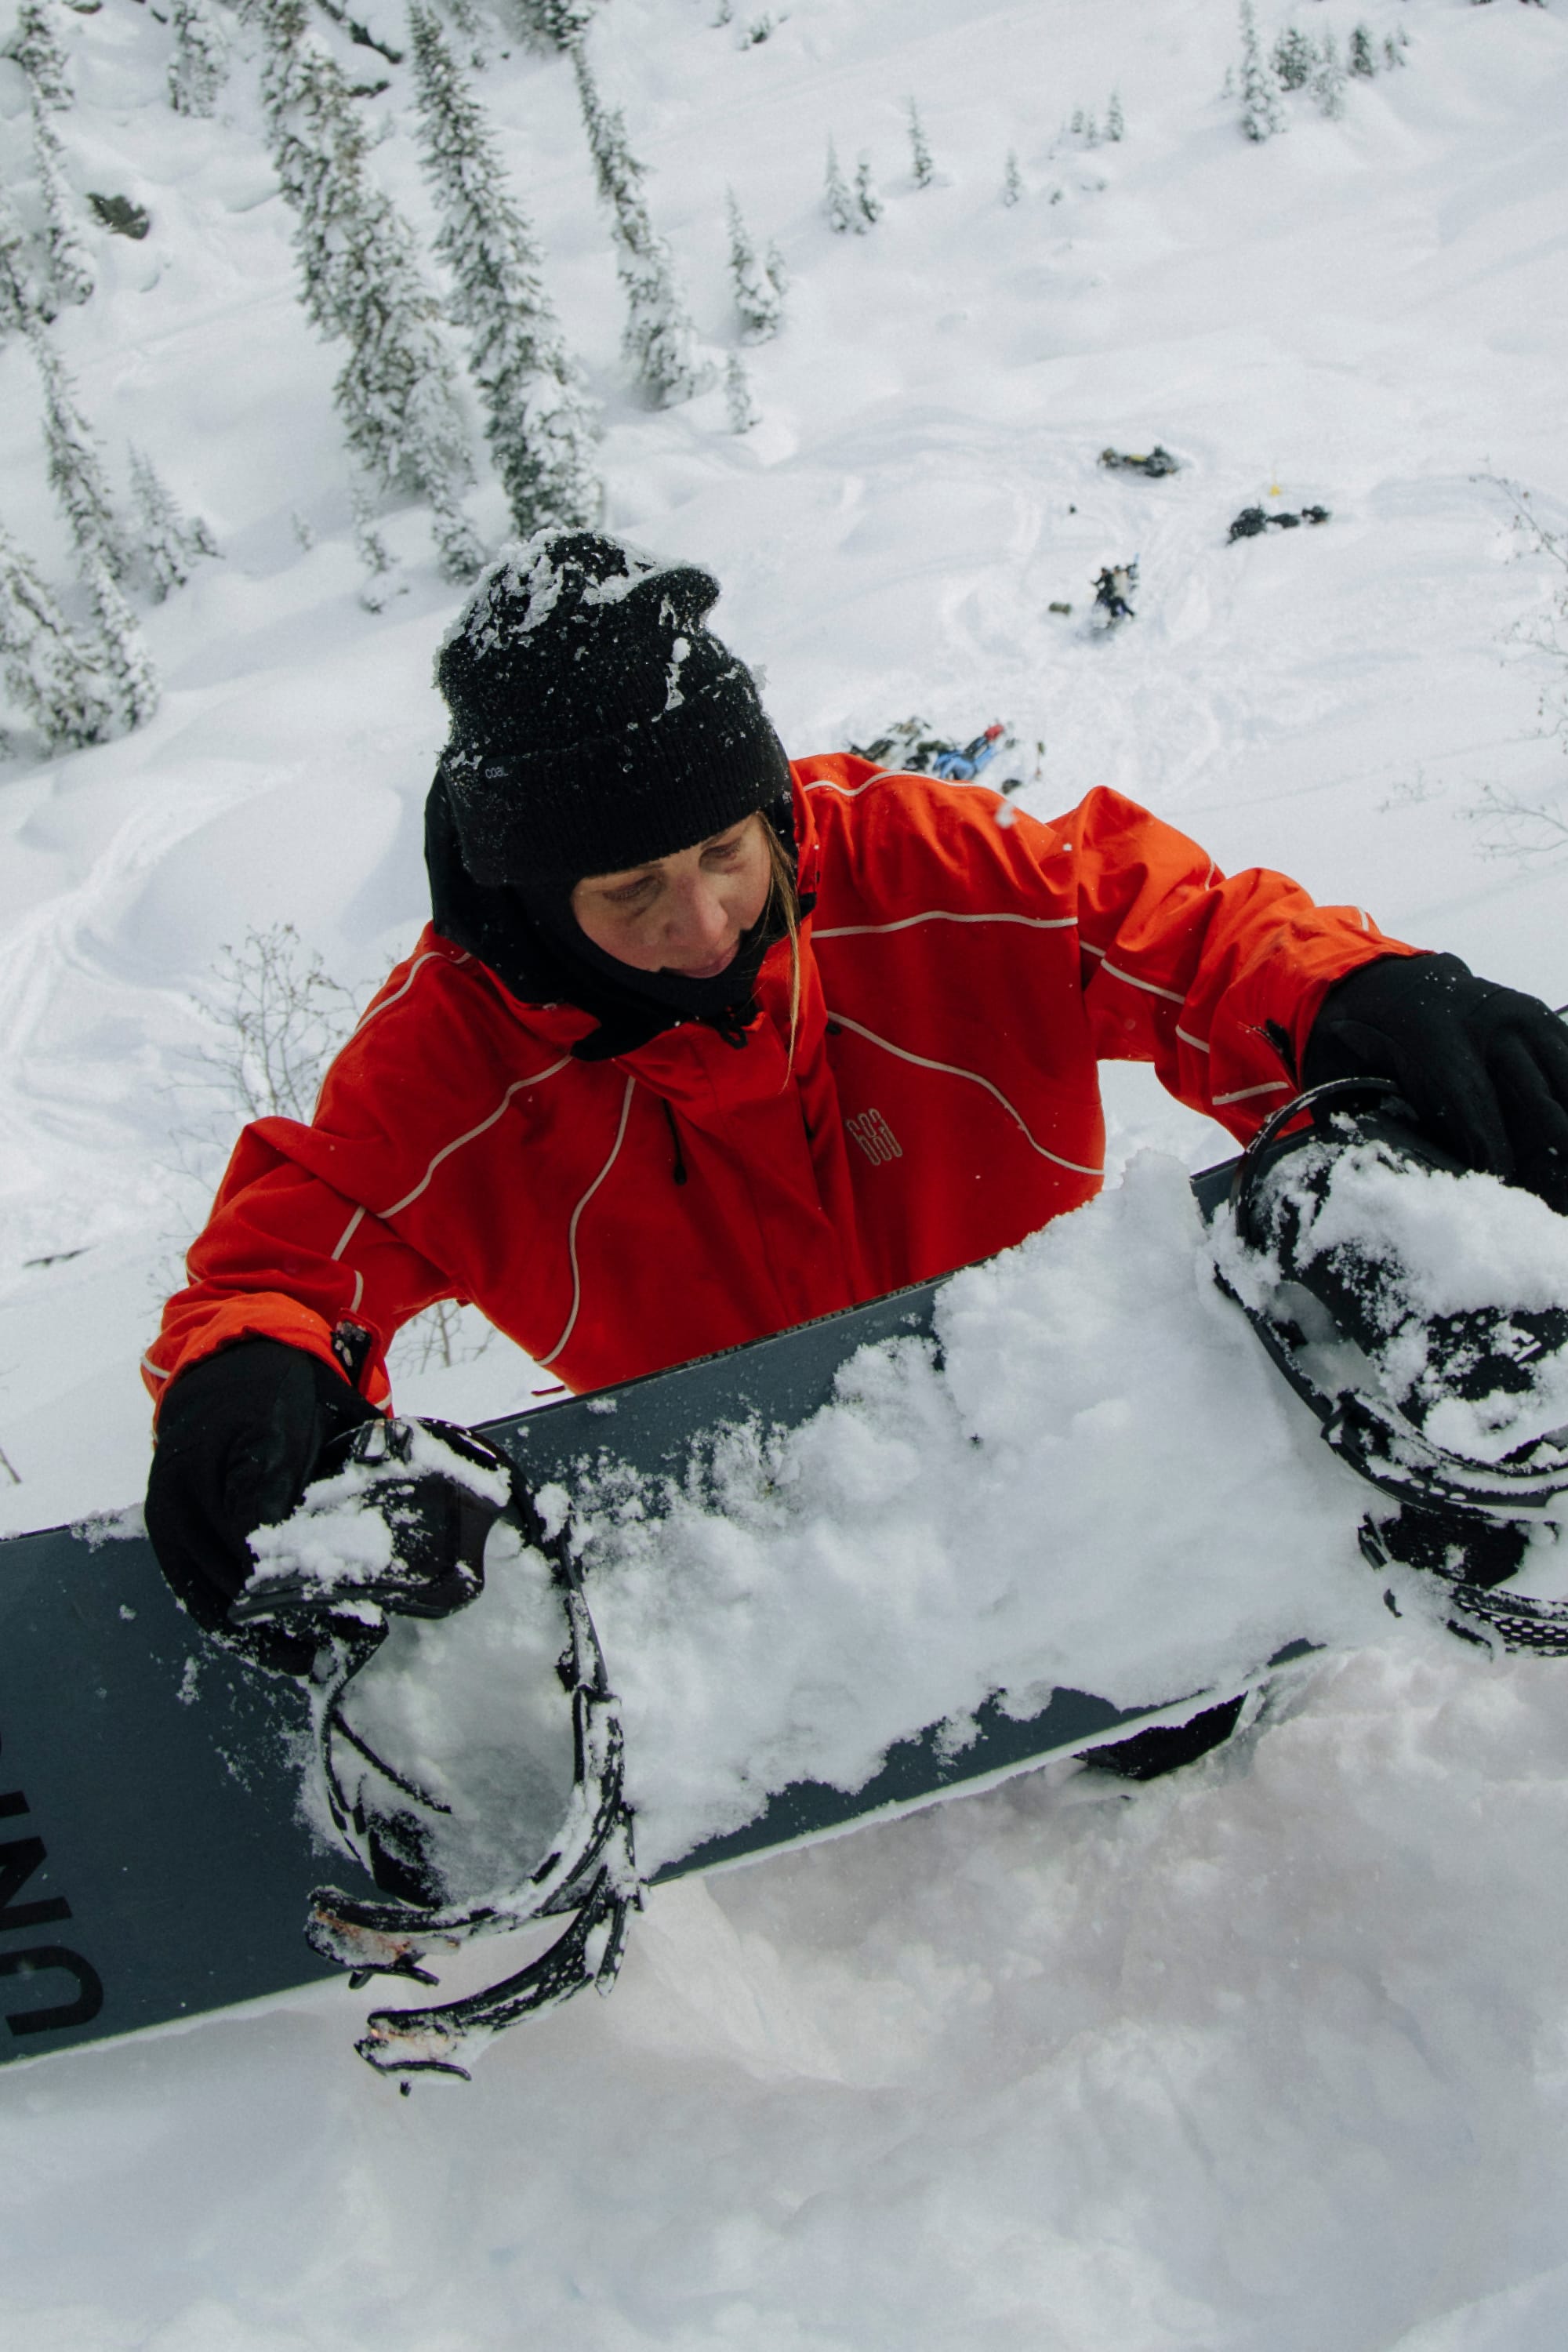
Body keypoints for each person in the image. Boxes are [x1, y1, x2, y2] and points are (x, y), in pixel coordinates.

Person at [143, 530, 1568, 1656]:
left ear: (770, 811)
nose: (699, 923)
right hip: (781, 1527)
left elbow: (1168, 931)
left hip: (1072, 1416)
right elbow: (294, 1242)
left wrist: (1343, 991)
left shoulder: (912, 865)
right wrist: (253, 1363)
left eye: (721, 854)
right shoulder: (452, 1058)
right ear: (531, 895)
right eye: (627, 889)